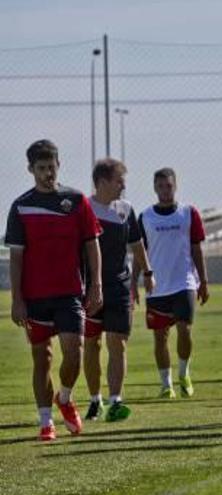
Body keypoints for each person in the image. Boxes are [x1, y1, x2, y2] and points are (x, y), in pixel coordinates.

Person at [5, 139, 102, 441]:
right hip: (35, 297)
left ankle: (65, 397)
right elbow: (17, 257)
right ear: (30, 169)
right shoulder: (21, 206)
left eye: (51, 167)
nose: (48, 173)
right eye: (41, 168)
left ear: (59, 166)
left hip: (70, 293)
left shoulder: (76, 201)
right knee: (42, 358)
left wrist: (96, 284)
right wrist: (17, 300)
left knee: (74, 352)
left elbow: (91, 244)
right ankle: (46, 421)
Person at [83, 158, 153, 422]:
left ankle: (115, 401)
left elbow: (136, 244)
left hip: (121, 286)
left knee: (117, 343)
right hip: (91, 289)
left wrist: (147, 272)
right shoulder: (85, 208)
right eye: (119, 180)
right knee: (91, 343)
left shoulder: (126, 209)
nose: (123, 185)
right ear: (101, 182)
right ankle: (94, 400)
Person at [135, 168, 209, 399]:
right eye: (161, 186)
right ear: (155, 188)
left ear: (175, 186)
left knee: (185, 330)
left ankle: (184, 373)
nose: (165, 190)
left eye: (169, 186)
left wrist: (203, 280)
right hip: (157, 287)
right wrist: (133, 283)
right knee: (160, 337)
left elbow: (197, 247)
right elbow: (140, 250)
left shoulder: (188, 213)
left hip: (184, 282)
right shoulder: (145, 217)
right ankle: (166, 384)